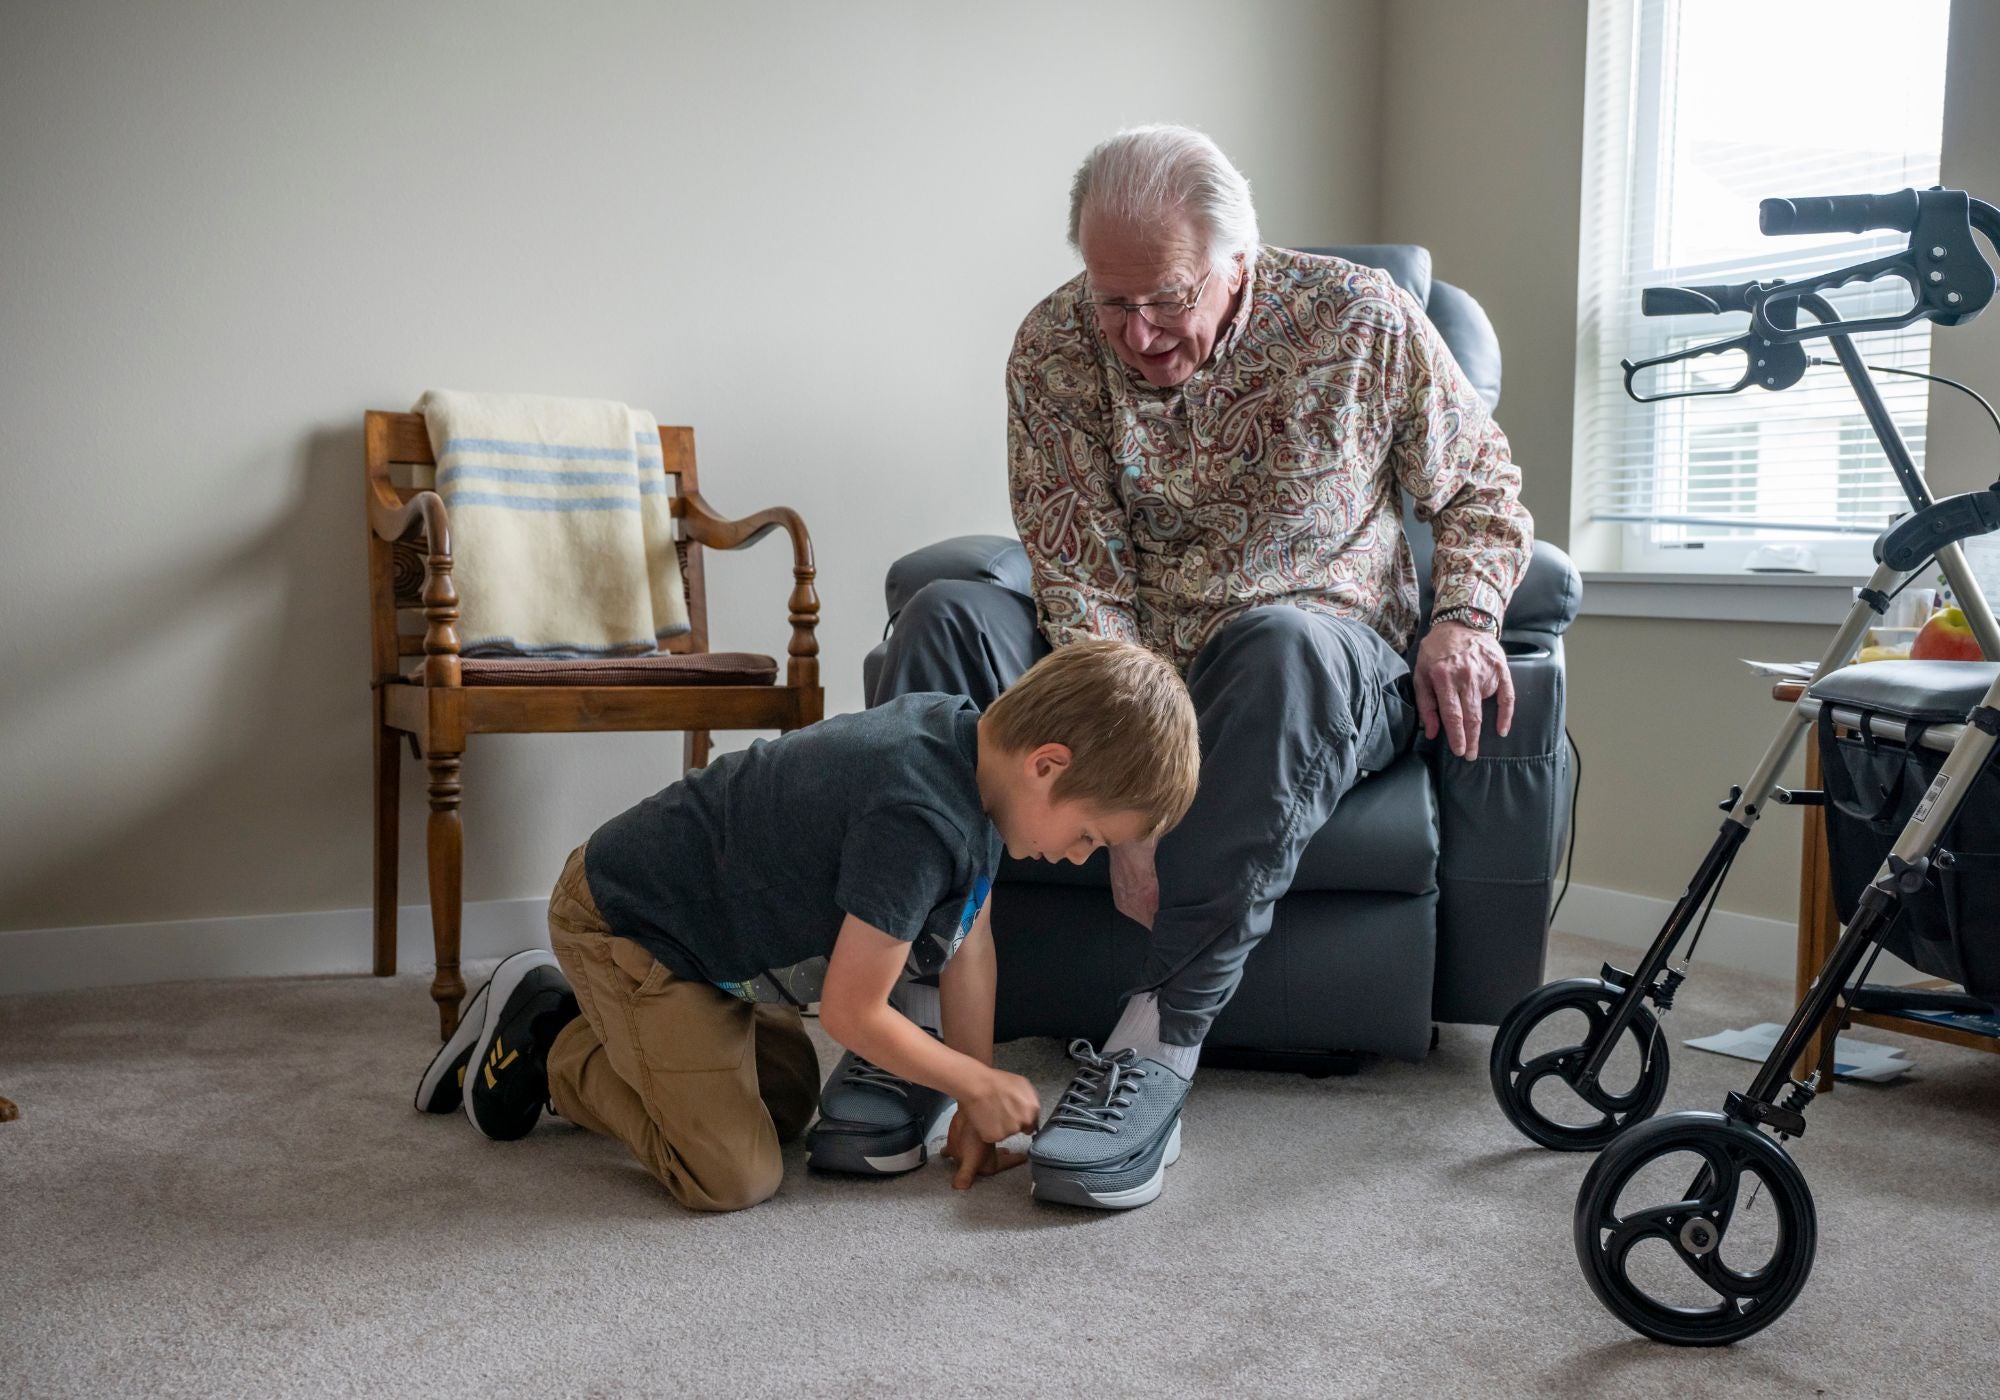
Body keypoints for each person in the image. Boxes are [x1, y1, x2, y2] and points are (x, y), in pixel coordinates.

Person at [868, 125, 1535, 1210]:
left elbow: (1482, 492)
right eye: (1111, 301)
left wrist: (1462, 616)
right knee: (946, 614)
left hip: (1314, 654)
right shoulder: (1051, 344)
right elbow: (1075, 571)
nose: (1137, 334)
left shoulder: (1360, 319)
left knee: (1274, 644)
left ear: (1238, 259)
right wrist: (1134, 789)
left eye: (1165, 299)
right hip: (1122, 659)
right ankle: (905, 1017)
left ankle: (1154, 1041)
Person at [412, 639, 1200, 1213]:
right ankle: (551, 1041)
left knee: (787, 1104)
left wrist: (968, 1102)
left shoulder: (978, 762)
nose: (1076, 858)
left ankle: (613, 1035)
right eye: (1091, 837)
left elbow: (971, 948)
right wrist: (976, 1082)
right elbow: (856, 1014)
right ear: (1049, 765)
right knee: (730, 1175)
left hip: (714, 953)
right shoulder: (916, 817)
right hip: (629, 923)